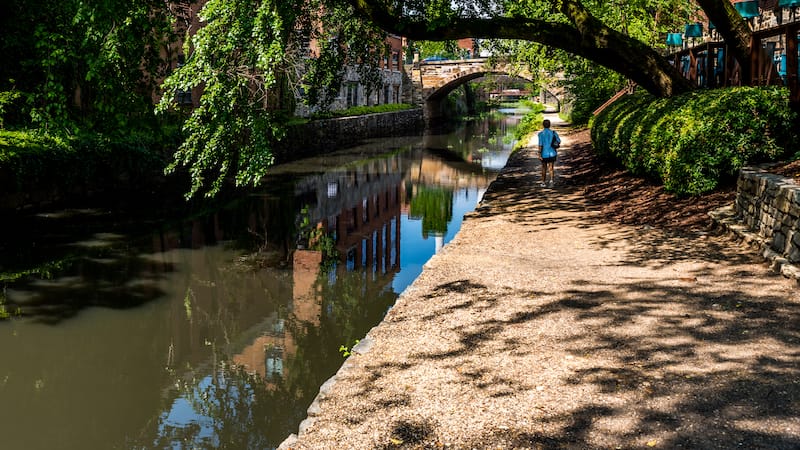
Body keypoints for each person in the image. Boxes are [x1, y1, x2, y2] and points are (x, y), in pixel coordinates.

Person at [537, 119, 560, 187]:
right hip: (552, 153)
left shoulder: (541, 134)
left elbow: (540, 144)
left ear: (543, 125)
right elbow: (559, 141)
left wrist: (539, 153)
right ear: (549, 125)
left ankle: (543, 182)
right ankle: (551, 181)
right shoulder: (553, 133)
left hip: (544, 154)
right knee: (551, 168)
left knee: (544, 168)